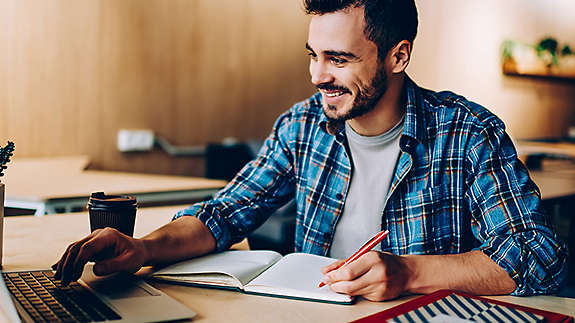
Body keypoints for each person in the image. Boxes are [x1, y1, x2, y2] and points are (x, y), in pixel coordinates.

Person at [53, 0, 567, 301]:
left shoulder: (468, 132)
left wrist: (410, 272)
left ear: (398, 55)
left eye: (338, 59)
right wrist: (141, 248)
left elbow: (540, 258)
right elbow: (223, 214)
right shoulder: (303, 125)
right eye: (314, 56)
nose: (318, 76)